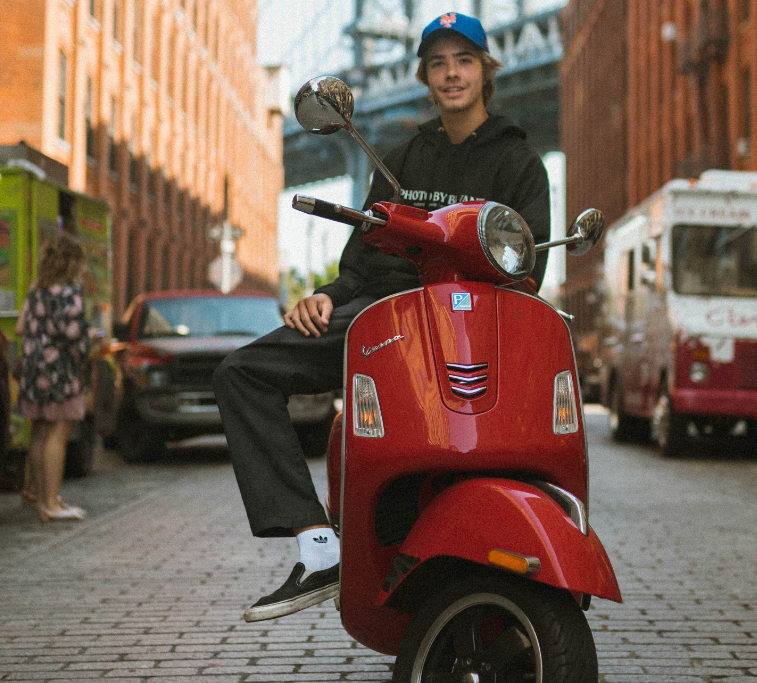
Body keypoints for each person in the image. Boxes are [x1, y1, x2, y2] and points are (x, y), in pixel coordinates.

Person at [213, 11, 552, 622]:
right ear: (424, 76)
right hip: (385, 318)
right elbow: (357, 266)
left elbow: (530, 272)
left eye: (464, 61)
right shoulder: (399, 158)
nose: (451, 74)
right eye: (438, 63)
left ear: (486, 71)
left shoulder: (518, 163)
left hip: (474, 324)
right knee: (241, 372)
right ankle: (319, 546)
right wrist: (324, 295)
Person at [15, 233, 91, 521]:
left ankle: (38, 495)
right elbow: (74, 336)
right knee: (58, 434)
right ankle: (51, 502)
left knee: (39, 432)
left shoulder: (37, 289)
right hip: (60, 371)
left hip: (35, 369)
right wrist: (88, 346)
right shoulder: (69, 292)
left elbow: (23, 326)